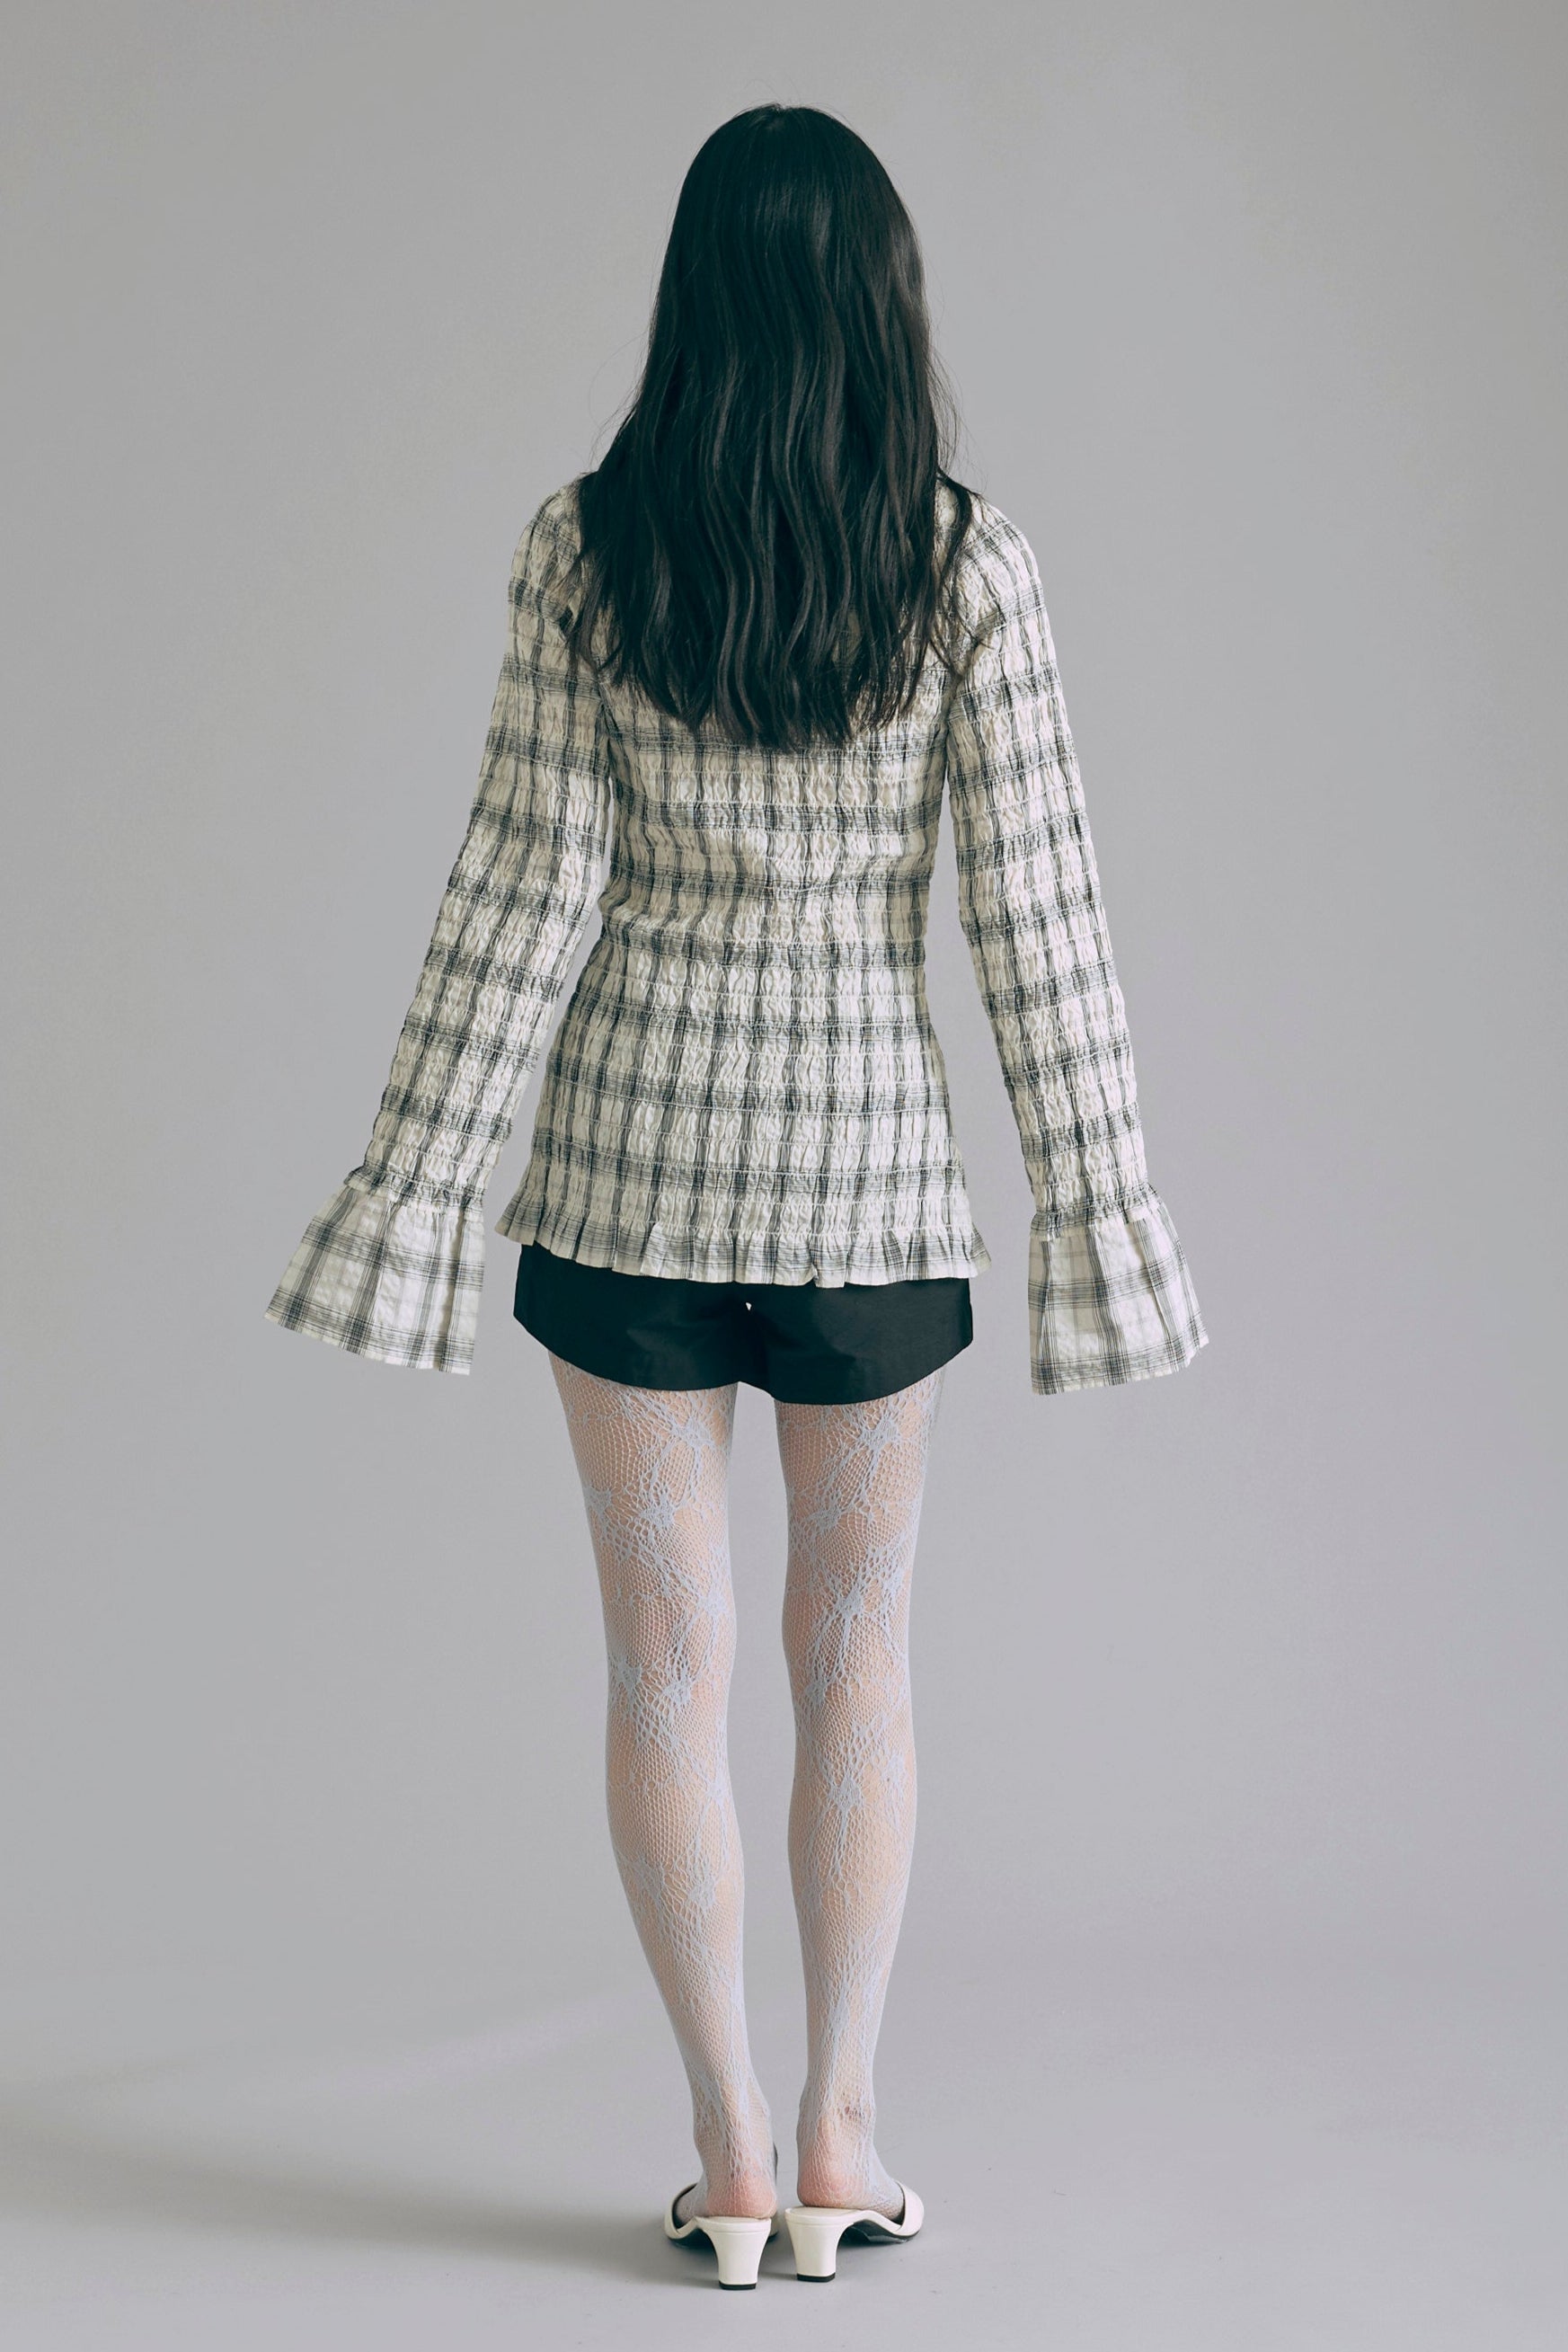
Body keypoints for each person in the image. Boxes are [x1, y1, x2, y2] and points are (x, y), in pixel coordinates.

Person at [264, 102, 1208, 2290]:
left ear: (690, 300)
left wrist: (409, 1205)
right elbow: (1040, 928)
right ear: (886, 303)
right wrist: (1106, 1232)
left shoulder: (585, 549)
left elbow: (520, 900)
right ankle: (843, 2127)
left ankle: (729, 2154)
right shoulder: (966, 566)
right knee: (855, 1649)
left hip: (622, 1187)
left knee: (662, 1662)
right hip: (871, 1200)